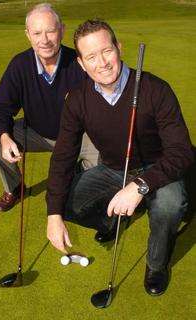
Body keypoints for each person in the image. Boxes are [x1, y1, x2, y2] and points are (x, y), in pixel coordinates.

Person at [46, 19, 194, 296]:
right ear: (81, 63)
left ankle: (157, 264)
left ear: (119, 48)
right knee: (62, 201)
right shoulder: (78, 99)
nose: (101, 62)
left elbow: (181, 152)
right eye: (91, 56)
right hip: (114, 169)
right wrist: (53, 214)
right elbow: (63, 156)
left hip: (160, 168)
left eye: (106, 51)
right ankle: (112, 219)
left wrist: (139, 186)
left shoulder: (155, 89)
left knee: (169, 206)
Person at [0, 4, 99, 212]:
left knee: (101, 159)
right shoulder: (20, 64)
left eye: (50, 31)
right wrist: (4, 136)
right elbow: (1, 106)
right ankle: (15, 187)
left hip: (77, 135)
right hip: (36, 132)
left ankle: (79, 180)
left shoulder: (79, 63)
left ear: (62, 30)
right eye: (37, 32)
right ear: (28, 34)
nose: (44, 40)